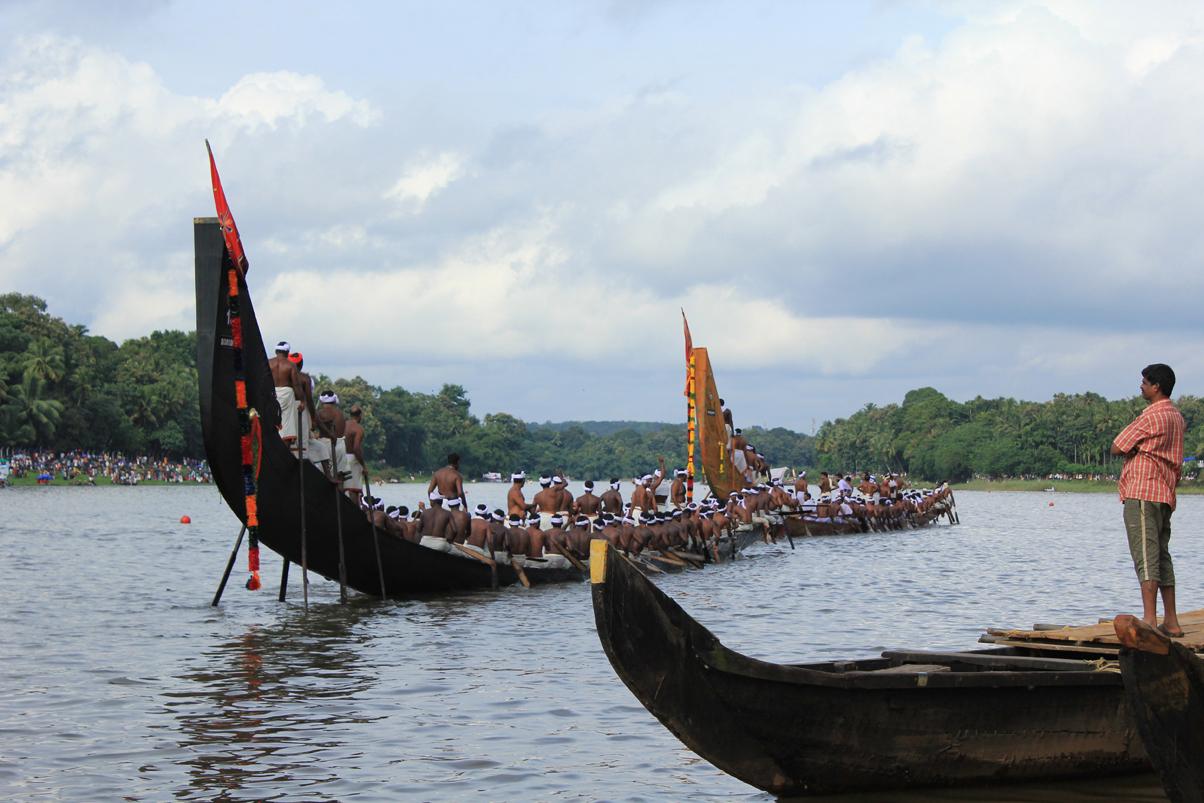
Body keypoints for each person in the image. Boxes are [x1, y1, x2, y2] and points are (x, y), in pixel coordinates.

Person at [1110, 363, 1186, 637]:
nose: (1141, 386)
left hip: (1143, 490)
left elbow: (1117, 446)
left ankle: (1151, 620)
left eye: (1144, 382)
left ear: (1156, 387)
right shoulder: (1176, 416)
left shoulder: (1152, 416)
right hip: (1164, 492)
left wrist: (1137, 448)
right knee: (1161, 555)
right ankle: (1172, 621)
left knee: (1145, 555)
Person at [268, 341, 305, 450]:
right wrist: (302, 401)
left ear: (276, 351)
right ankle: (284, 456)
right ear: (287, 352)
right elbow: (296, 385)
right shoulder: (291, 365)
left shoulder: (268, 363)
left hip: (272, 395)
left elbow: (263, 381)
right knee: (287, 427)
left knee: (271, 422)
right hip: (287, 395)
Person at [342, 404, 367, 505]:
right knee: (353, 490)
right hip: (352, 459)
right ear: (360, 415)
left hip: (340, 457)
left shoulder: (343, 425)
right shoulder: (358, 429)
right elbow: (356, 448)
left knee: (343, 487)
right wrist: (363, 466)